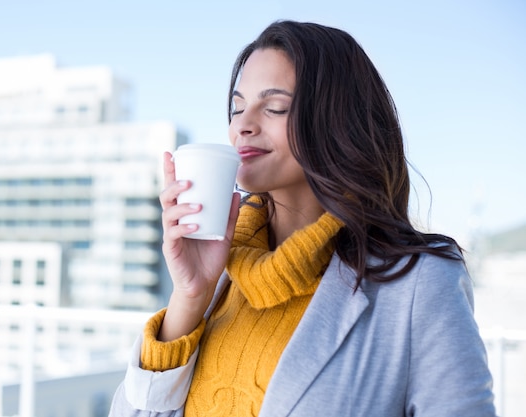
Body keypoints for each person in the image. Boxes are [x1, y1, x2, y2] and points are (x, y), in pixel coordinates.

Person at [109, 20, 496, 416]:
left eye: (274, 107)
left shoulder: (420, 284)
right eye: (237, 107)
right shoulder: (220, 272)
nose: (242, 125)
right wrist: (188, 298)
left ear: (338, 121)